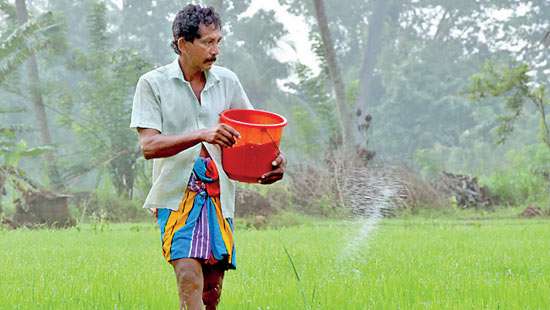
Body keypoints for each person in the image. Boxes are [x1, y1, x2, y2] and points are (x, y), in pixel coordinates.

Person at [130, 4, 285, 309]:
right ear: (182, 43)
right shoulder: (152, 84)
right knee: (188, 274)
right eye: (207, 42)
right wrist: (202, 134)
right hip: (177, 193)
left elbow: (255, 135)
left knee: (211, 288)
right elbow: (149, 146)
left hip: (218, 193)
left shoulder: (227, 81)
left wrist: (276, 161)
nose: (215, 50)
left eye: (218, 42)